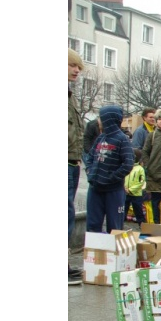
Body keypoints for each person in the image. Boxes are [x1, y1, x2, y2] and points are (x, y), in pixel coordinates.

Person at [84, 104, 134, 233]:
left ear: (109, 119)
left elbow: (128, 164)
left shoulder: (122, 140)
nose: (98, 121)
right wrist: (90, 172)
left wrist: (111, 178)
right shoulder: (100, 138)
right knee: (92, 226)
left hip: (114, 191)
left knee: (115, 228)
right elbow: (90, 157)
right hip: (95, 189)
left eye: (100, 118)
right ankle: (94, 252)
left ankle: (114, 253)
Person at [68, 48, 87, 285]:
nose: (76, 71)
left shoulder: (69, 96)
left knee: (68, 214)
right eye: (72, 66)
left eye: (78, 68)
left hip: (72, 161)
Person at [124, 148, 148, 225]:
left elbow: (141, 182)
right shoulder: (126, 166)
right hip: (126, 192)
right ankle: (120, 223)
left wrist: (131, 189)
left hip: (136, 194)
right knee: (123, 209)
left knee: (138, 210)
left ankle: (142, 224)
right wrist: (124, 188)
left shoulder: (140, 169)